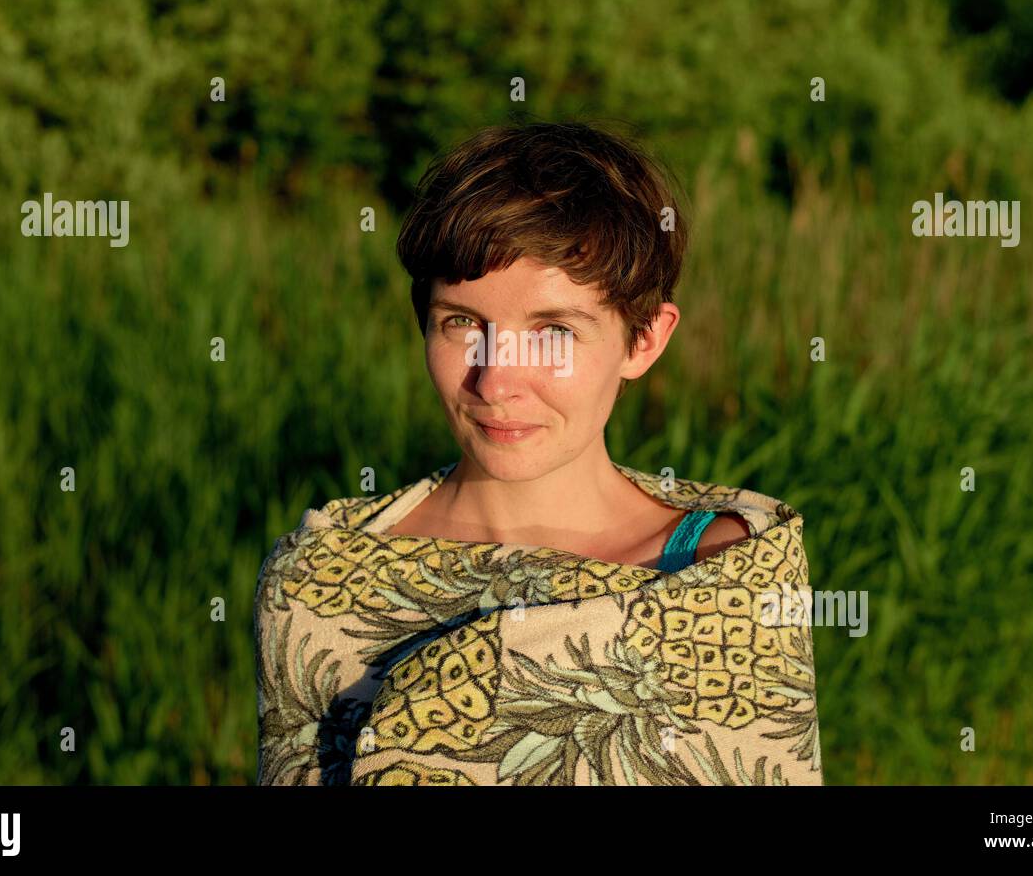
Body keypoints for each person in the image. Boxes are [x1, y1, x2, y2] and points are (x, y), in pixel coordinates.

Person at [256, 120, 821, 785]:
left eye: (553, 331)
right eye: (462, 323)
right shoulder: (320, 578)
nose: (496, 381)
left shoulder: (722, 577)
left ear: (644, 341)